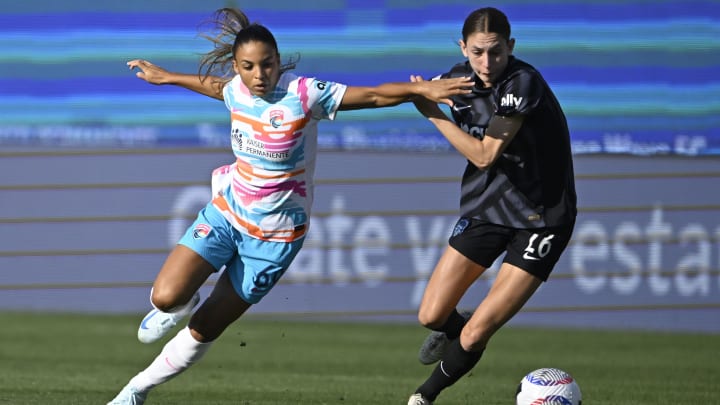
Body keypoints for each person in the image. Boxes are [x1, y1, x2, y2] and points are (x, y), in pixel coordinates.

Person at [106, 7, 472, 405]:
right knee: (165, 297)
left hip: (275, 238)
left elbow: (373, 95)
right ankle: (182, 299)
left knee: (206, 325)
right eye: (248, 67)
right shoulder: (236, 90)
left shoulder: (304, 94)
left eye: (267, 65)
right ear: (237, 67)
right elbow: (216, 86)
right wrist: (167, 77)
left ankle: (136, 390)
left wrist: (421, 90)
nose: (259, 75)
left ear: (279, 61)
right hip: (228, 212)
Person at [405, 7, 577, 405]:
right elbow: (415, 90)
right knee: (431, 315)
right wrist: (419, 90)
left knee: (476, 332)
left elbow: (485, 155)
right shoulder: (456, 80)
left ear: (510, 47)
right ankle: (458, 334)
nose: (487, 63)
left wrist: (432, 114)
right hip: (488, 210)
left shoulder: (523, 83)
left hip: (542, 220)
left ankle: (423, 397)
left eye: (496, 52)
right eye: (478, 52)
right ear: (463, 48)